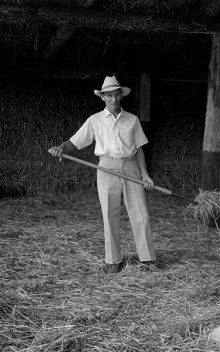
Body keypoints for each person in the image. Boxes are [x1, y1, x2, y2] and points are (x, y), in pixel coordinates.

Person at [48, 75, 157, 273]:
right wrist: (61, 148)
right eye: (109, 96)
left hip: (131, 165)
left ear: (121, 96)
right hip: (106, 167)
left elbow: (140, 149)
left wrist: (145, 175)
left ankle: (148, 260)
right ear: (103, 97)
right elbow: (75, 142)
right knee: (110, 214)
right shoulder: (95, 120)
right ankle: (113, 261)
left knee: (140, 213)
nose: (114, 99)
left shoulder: (132, 120)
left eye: (117, 95)